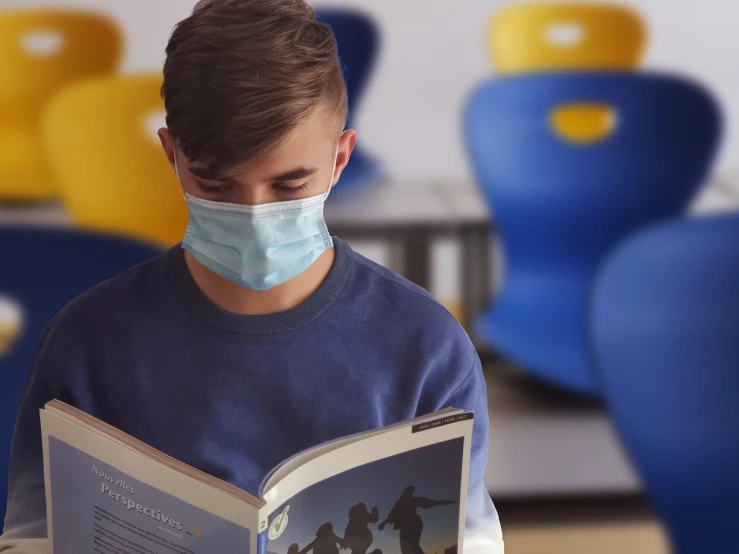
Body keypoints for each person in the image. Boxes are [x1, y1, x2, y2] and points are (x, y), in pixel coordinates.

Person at [0, 1, 503, 553]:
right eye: (218, 187)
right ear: (171, 155)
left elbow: (470, 537)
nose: (256, 213)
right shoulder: (87, 343)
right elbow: (34, 536)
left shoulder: (426, 347)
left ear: (340, 159)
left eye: (288, 187)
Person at [378, 486, 457, 554]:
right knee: (409, 546)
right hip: (408, 527)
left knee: (412, 544)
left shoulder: (412, 501)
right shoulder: (399, 505)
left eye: (410, 492)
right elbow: (391, 517)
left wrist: (442, 502)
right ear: (404, 493)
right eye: (408, 492)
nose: (409, 494)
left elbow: (432, 502)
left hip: (414, 525)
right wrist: (383, 523)